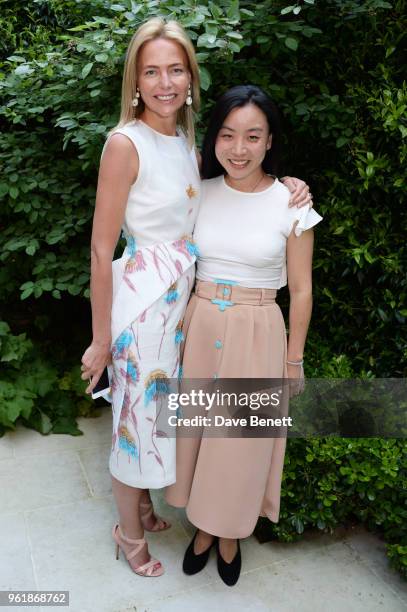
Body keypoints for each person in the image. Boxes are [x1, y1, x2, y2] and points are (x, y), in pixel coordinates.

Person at [80, 18, 312, 578]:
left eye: (176, 69)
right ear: (135, 79)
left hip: (181, 306)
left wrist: (292, 187)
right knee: (135, 425)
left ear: (191, 76)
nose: (165, 82)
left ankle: (143, 507)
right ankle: (129, 534)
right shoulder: (124, 142)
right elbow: (99, 246)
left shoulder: (183, 141)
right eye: (151, 71)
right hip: (143, 303)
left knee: (162, 418)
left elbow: (235, 196)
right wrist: (102, 336)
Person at [166, 84, 322, 586]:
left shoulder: (292, 203)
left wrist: (293, 360)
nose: (239, 148)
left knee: (240, 442)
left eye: (252, 136)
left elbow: (300, 290)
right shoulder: (198, 191)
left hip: (258, 329)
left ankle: (229, 533)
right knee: (199, 434)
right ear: (214, 139)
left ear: (270, 140)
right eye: (228, 135)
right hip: (201, 320)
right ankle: (202, 528)